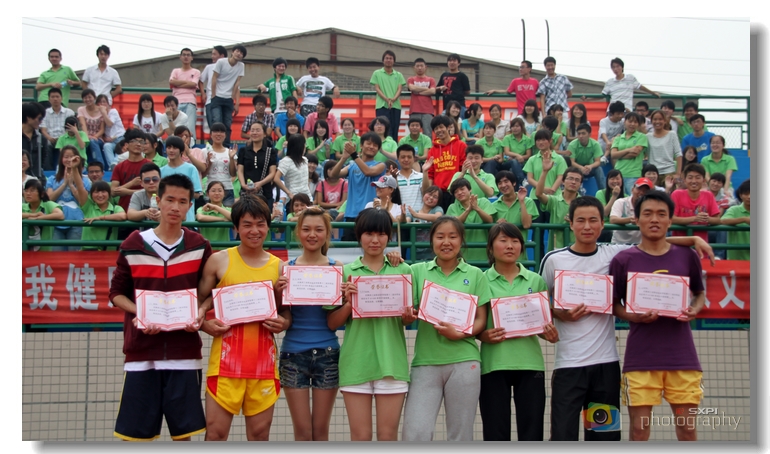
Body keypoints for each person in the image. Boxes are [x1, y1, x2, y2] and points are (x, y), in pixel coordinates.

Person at [109, 173, 211, 442]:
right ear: (158, 200)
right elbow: (116, 293)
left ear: (190, 205)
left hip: (184, 352)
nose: (175, 207)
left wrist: (201, 312)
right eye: (170, 200)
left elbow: (210, 292)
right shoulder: (133, 244)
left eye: (182, 201)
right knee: (134, 438)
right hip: (141, 352)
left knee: (184, 435)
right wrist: (139, 312)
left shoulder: (199, 246)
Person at [610, 191, 707, 442]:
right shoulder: (623, 260)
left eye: (661, 214)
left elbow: (700, 294)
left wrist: (694, 309)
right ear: (637, 219)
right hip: (641, 358)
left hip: (682, 358)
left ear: (670, 220)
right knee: (639, 431)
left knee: (687, 430)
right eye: (648, 214)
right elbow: (614, 304)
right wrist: (634, 317)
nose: (655, 219)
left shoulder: (687, 256)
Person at [326, 208, 414, 441]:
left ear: (389, 236)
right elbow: (332, 323)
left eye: (381, 234)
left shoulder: (402, 270)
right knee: (360, 436)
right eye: (369, 233)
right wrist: (349, 303)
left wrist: (408, 317)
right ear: (359, 235)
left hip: (391, 363)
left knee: (387, 436)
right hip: (356, 364)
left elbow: (406, 320)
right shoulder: (346, 272)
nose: (375, 240)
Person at [402, 217, 491, 441]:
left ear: (461, 240)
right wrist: (407, 317)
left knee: (460, 434)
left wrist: (459, 334)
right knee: (416, 433)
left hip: (465, 361)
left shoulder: (475, 274)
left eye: (453, 236)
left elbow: (481, 319)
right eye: (440, 236)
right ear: (431, 240)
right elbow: (408, 313)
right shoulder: (417, 271)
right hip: (426, 361)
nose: (446, 242)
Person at [479, 222, 558, 441]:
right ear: (490, 246)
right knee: (495, 432)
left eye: (515, 241)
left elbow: (542, 325)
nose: (510, 246)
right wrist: (482, 335)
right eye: (503, 240)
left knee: (532, 431)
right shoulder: (481, 280)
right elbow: (476, 323)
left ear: (522, 247)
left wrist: (549, 333)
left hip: (530, 364)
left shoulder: (535, 280)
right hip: (494, 364)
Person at [273, 208, 341, 441]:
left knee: (321, 431)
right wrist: (278, 292)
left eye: (319, 229)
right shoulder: (285, 268)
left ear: (327, 233)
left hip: (328, 353)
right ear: (298, 233)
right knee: (302, 432)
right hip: (293, 354)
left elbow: (335, 319)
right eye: (306, 229)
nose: (312, 234)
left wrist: (345, 297)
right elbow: (282, 313)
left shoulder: (336, 267)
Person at [329, 132, 387, 236]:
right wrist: (344, 158)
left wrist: (354, 155)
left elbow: (368, 172)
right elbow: (333, 174)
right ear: (361, 145)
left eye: (375, 145)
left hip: (370, 214)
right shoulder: (352, 165)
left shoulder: (380, 165)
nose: (371, 147)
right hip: (351, 214)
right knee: (349, 245)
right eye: (368, 143)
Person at [46, 145, 90, 251]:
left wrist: (71, 185)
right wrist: (64, 183)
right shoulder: (52, 179)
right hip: (56, 222)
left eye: (72, 156)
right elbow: (50, 199)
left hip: (76, 221)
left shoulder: (85, 180)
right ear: (61, 159)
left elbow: (83, 201)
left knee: (75, 255)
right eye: (66, 157)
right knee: (56, 255)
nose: (69, 159)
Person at [535, 158, 582, 252]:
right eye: (570, 178)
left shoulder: (584, 203)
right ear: (563, 181)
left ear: (580, 184)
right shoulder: (554, 200)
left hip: (577, 247)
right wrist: (544, 171)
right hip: (555, 247)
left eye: (577, 180)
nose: (573, 182)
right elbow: (539, 194)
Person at [422, 115, 467, 212]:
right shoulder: (432, 151)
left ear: (448, 127)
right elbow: (430, 175)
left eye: (441, 127)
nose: (439, 130)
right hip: (439, 194)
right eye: (436, 128)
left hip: (456, 191)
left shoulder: (461, 145)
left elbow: (463, 169)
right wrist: (430, 193)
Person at [446, 178, 496, 263]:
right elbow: (455, 223)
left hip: (483, 252)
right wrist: (468, 210)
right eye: (456, 192)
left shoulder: (483, 202)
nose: (459, 193)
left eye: (462, 189)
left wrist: (476, 208)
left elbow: (489, 220)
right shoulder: (452, 207)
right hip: (462, 254)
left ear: (470, 189)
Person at [671, 163, 721, 241]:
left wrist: (705, 219)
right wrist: (694, 219)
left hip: (701, 244)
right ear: (685, 180)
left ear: (704, 180)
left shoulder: (708, 195)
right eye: (690, 178)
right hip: (680, 244)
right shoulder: (677, 194)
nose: (694, 181)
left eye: (698, 178)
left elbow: (717, 220)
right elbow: (671, 219)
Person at [211, 44, 247, 147]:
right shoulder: (221, 62)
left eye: (241, 53)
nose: (239, 54)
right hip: (217, 97)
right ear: (232, 52)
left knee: (227, 124)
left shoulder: (241, 66)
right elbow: (214, 78)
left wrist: (233, 98)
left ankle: (226, 146)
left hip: (229, 99)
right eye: (237, 51)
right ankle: (214, 146)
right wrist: (213, 94)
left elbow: (237, 83)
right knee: (217, 122)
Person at [161, 136, 203, 223]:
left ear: (181, 150)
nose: (171, 150)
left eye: (175, 148)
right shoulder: (161, 171)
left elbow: (197, 194)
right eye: (169, 147)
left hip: (187, 219)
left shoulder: (191, 169)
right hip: (167, 219)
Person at [238, 122, 278, 209]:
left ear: (264, 134)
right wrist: (243, 185)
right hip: (247, 192)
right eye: (252, 130)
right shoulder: (243, 150)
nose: (254, 133)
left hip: (265, 192)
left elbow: (272, 172)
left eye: (258, 130)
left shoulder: (271, 152)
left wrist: (260, 183)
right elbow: (240, 170)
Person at [80, 181, 126, 251]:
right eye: (96, 192)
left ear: (109, 194)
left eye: (103, 192)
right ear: (91, 195)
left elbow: (122, 216)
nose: (100, 195)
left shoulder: (116, 208)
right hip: (88, 251)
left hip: (108, 252)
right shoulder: (88, 207)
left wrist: (100, 218)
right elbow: (80, 187)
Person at [370, 50, 406, 140]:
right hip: (381, 105)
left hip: (395, 105)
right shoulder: (377, 73)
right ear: (383, 60)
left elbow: (400, 89)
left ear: (394, 61)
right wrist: (386, 99)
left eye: (391, 58)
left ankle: (394, 147)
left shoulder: (399, 75)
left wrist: (393, 99)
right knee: (382, 130)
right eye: (386, 58)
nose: (388, 60)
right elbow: (377, 88)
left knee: (394, 129)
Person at [611, 112, 649, 194]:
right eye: (630, 121)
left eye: (635, 122)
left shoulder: (642, 137)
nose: (632, 124)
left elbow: (635, 154)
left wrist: (619, 154)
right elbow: (613, 155)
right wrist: (629, 150)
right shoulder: (618, 138)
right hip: (618, 174)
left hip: (633, 174)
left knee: (632, 198)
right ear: (625, 122)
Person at [609, 177, 654, 245]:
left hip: (640, 246)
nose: (642, 192)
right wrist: (630, 219)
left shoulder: (652, 207)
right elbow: (613, 220)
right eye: (639, 189)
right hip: (619, 244)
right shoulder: (621, 202)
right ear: (632, 190)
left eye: (645, 191)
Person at [202, 122, 237, 207]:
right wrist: (209, 163)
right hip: (211, 189)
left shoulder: (230, 152)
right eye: (215, 131)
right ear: (211, 134)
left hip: (227, 188)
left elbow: (233, 174)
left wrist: (231, 158)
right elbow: (202, 174)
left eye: (221, 132)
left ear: (225, 135)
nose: (218, 134)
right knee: (211, 213)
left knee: (228, 214)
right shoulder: (204, 151)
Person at [169, 48, 200, 143]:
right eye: (184, 55)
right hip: (176, 102)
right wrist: (187, 83)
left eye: (188, 55)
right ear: (180, 57)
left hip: (190, 102)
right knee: (177, 127)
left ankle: (190, 146)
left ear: (192, 58)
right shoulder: (175, 71)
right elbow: (171, 82)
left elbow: (193, 84)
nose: (186, 57)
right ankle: (176, 145)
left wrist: (178, 83)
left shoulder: (196, 71)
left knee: (190, 127)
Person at [23, 179, 64, 251]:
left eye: (32, 191)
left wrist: (39, 218)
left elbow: (60, 215)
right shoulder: (22, 206)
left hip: (44, 251)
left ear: (41, 194)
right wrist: (32, 215)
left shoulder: (48, 204)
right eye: (26, 191)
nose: (28, 193)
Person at [40, 87, 75, 170]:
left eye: (57, 96)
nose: (55, 99)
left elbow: (71, 129)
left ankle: (64, 169)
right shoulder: (45, 112)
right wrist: (49, 138)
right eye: (52, 97)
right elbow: (43, 130)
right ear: (49, 99)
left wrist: (61, 138)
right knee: (46, 144)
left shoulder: (69, 112)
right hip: (50, 138)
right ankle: (48, 170)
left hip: (64, 138)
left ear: (61, 98)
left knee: (66, 144)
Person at [406, 185, 444, 260]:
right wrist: (402, 215)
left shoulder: (437, 209)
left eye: (435, 197)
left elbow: (438, 217)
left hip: (432, 252)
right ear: (424, 194)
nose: (431, 198)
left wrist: (417, 215)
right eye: (429, 194)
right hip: (415, 251)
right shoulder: (414, 211)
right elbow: (406, 221)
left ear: (438, 201)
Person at [646, 109, 682, 184]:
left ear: (665, 121)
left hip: (669, 172)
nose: (657, 122)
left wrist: (678, 173)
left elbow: (678, 154)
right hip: (653, 174)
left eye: (660, 119)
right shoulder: (647, 136)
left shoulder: (672, 134)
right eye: (655, 119)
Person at [566, 123, 605, 190]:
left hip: (589, 167)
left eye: (583, 133)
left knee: (598, 169)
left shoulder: (595, 144)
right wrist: (581, 168)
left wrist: (590, 166)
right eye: (579, 134)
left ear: (589, 134)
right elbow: (572, 162)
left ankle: (603, 191)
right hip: (576, 167)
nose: (581, 136)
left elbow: (598, 162)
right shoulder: (572, 145)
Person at [196, 180, 233, 249]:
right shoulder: (202, 209)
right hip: (207, 249)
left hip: (223, 250)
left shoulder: (228, 210)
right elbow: (200, 217)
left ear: (224, 193)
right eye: (213, 191)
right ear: (207, 193)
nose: (217, 193)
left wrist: (216, 207)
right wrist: (222, 219)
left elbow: (233, 217)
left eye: (220, 191)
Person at [275, 134, 311, 201]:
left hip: (307, 197)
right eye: (304, 145)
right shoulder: (286, 161)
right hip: (294, 197)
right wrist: (289, 193)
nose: (305, 147)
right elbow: (276, 179)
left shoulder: (305, 159)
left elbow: (306, 179)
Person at [720, 179, 750, 261]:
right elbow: (723, 221)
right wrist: (744, 219)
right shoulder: (734, 209)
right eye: (746, 194)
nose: (749, 197)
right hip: (736, 261)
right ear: (740, 195)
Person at [200, 46, 228, 132]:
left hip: (226, 100)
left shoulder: (229, 67)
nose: (212, 56)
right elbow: (201, 80)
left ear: (222, 56)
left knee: (226, 126)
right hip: (211, 100)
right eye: (212, 54)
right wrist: (203, 93)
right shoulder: (209, 67)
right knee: (215, 125)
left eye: (214, 54)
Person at [77, 89, 107, 167]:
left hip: (98, 138)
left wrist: (94, 137)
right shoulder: (81, 109)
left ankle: (100, 165)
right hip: (85, 136)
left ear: (94, 97)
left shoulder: (101, 110)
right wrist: (87, 137)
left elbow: (102, 129)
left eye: (89, 97)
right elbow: (83, 126)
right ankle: (81, 166)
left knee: (93, 141)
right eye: (85, 98)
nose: (87, 99)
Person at [407, 58, 437, 135]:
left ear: (425, 67)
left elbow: (432, 91)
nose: (419, 68)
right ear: (414, 67)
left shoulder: (431, 79)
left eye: (421, 66)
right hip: (414, 110)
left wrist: (418, 92)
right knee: (414, 133)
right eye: (417, 66)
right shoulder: (411, 79)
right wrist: (426, 89)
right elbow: (412, 88)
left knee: (428, 133)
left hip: (428, 111)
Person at [436, 53, 471, 117]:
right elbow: (436, 88)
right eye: (450, 60)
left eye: (454, 61)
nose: (452, 62)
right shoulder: (444, 75)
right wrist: (440, 88)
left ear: (458, 63)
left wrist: (457, 93)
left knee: (459, 122)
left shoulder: (462, 76)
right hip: (447, 107)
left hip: (459, 107)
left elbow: (467, 91)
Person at [501, 117, 533, 186]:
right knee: (513, 162)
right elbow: (507, 152)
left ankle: (517, 188)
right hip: (508, 162)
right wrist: (517, 156)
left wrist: (519, 158)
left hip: (522, 163)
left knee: (513, 170)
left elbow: (528, 155)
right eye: (513, 126)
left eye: (517, 126)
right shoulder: (507, 138)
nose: (514, 128)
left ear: (522, 127)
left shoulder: (527, 139)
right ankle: (522, 181)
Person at [97, 95, 126, 170]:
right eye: (100, 102)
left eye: (104, 102)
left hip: (120, 138)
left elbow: (110, 123)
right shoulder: (98, 115)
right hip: (110, 141)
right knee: (106, 146)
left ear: (108, 103)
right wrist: (105, 139)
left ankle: (115, 164)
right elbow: (101, 130)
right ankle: (112, 167)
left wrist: (104, 113)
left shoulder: (113, 111)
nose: (102, 104)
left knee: (119, 151)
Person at [395, 144, 424, 212]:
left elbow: (425, 192)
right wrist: (394, 178)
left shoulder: (421, 176)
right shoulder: (394, 178)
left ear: (414, 159)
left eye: (409, 157)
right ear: (398, 159)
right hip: (400, 215)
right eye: (403, 157)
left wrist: (425, 171)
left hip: (418, 216)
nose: (406, 160)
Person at [22, 102, 47, 180]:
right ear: (28, 118)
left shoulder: (41, 138)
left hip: (36, 180)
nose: (41, 122)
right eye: (39, 118)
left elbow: (43, 160)